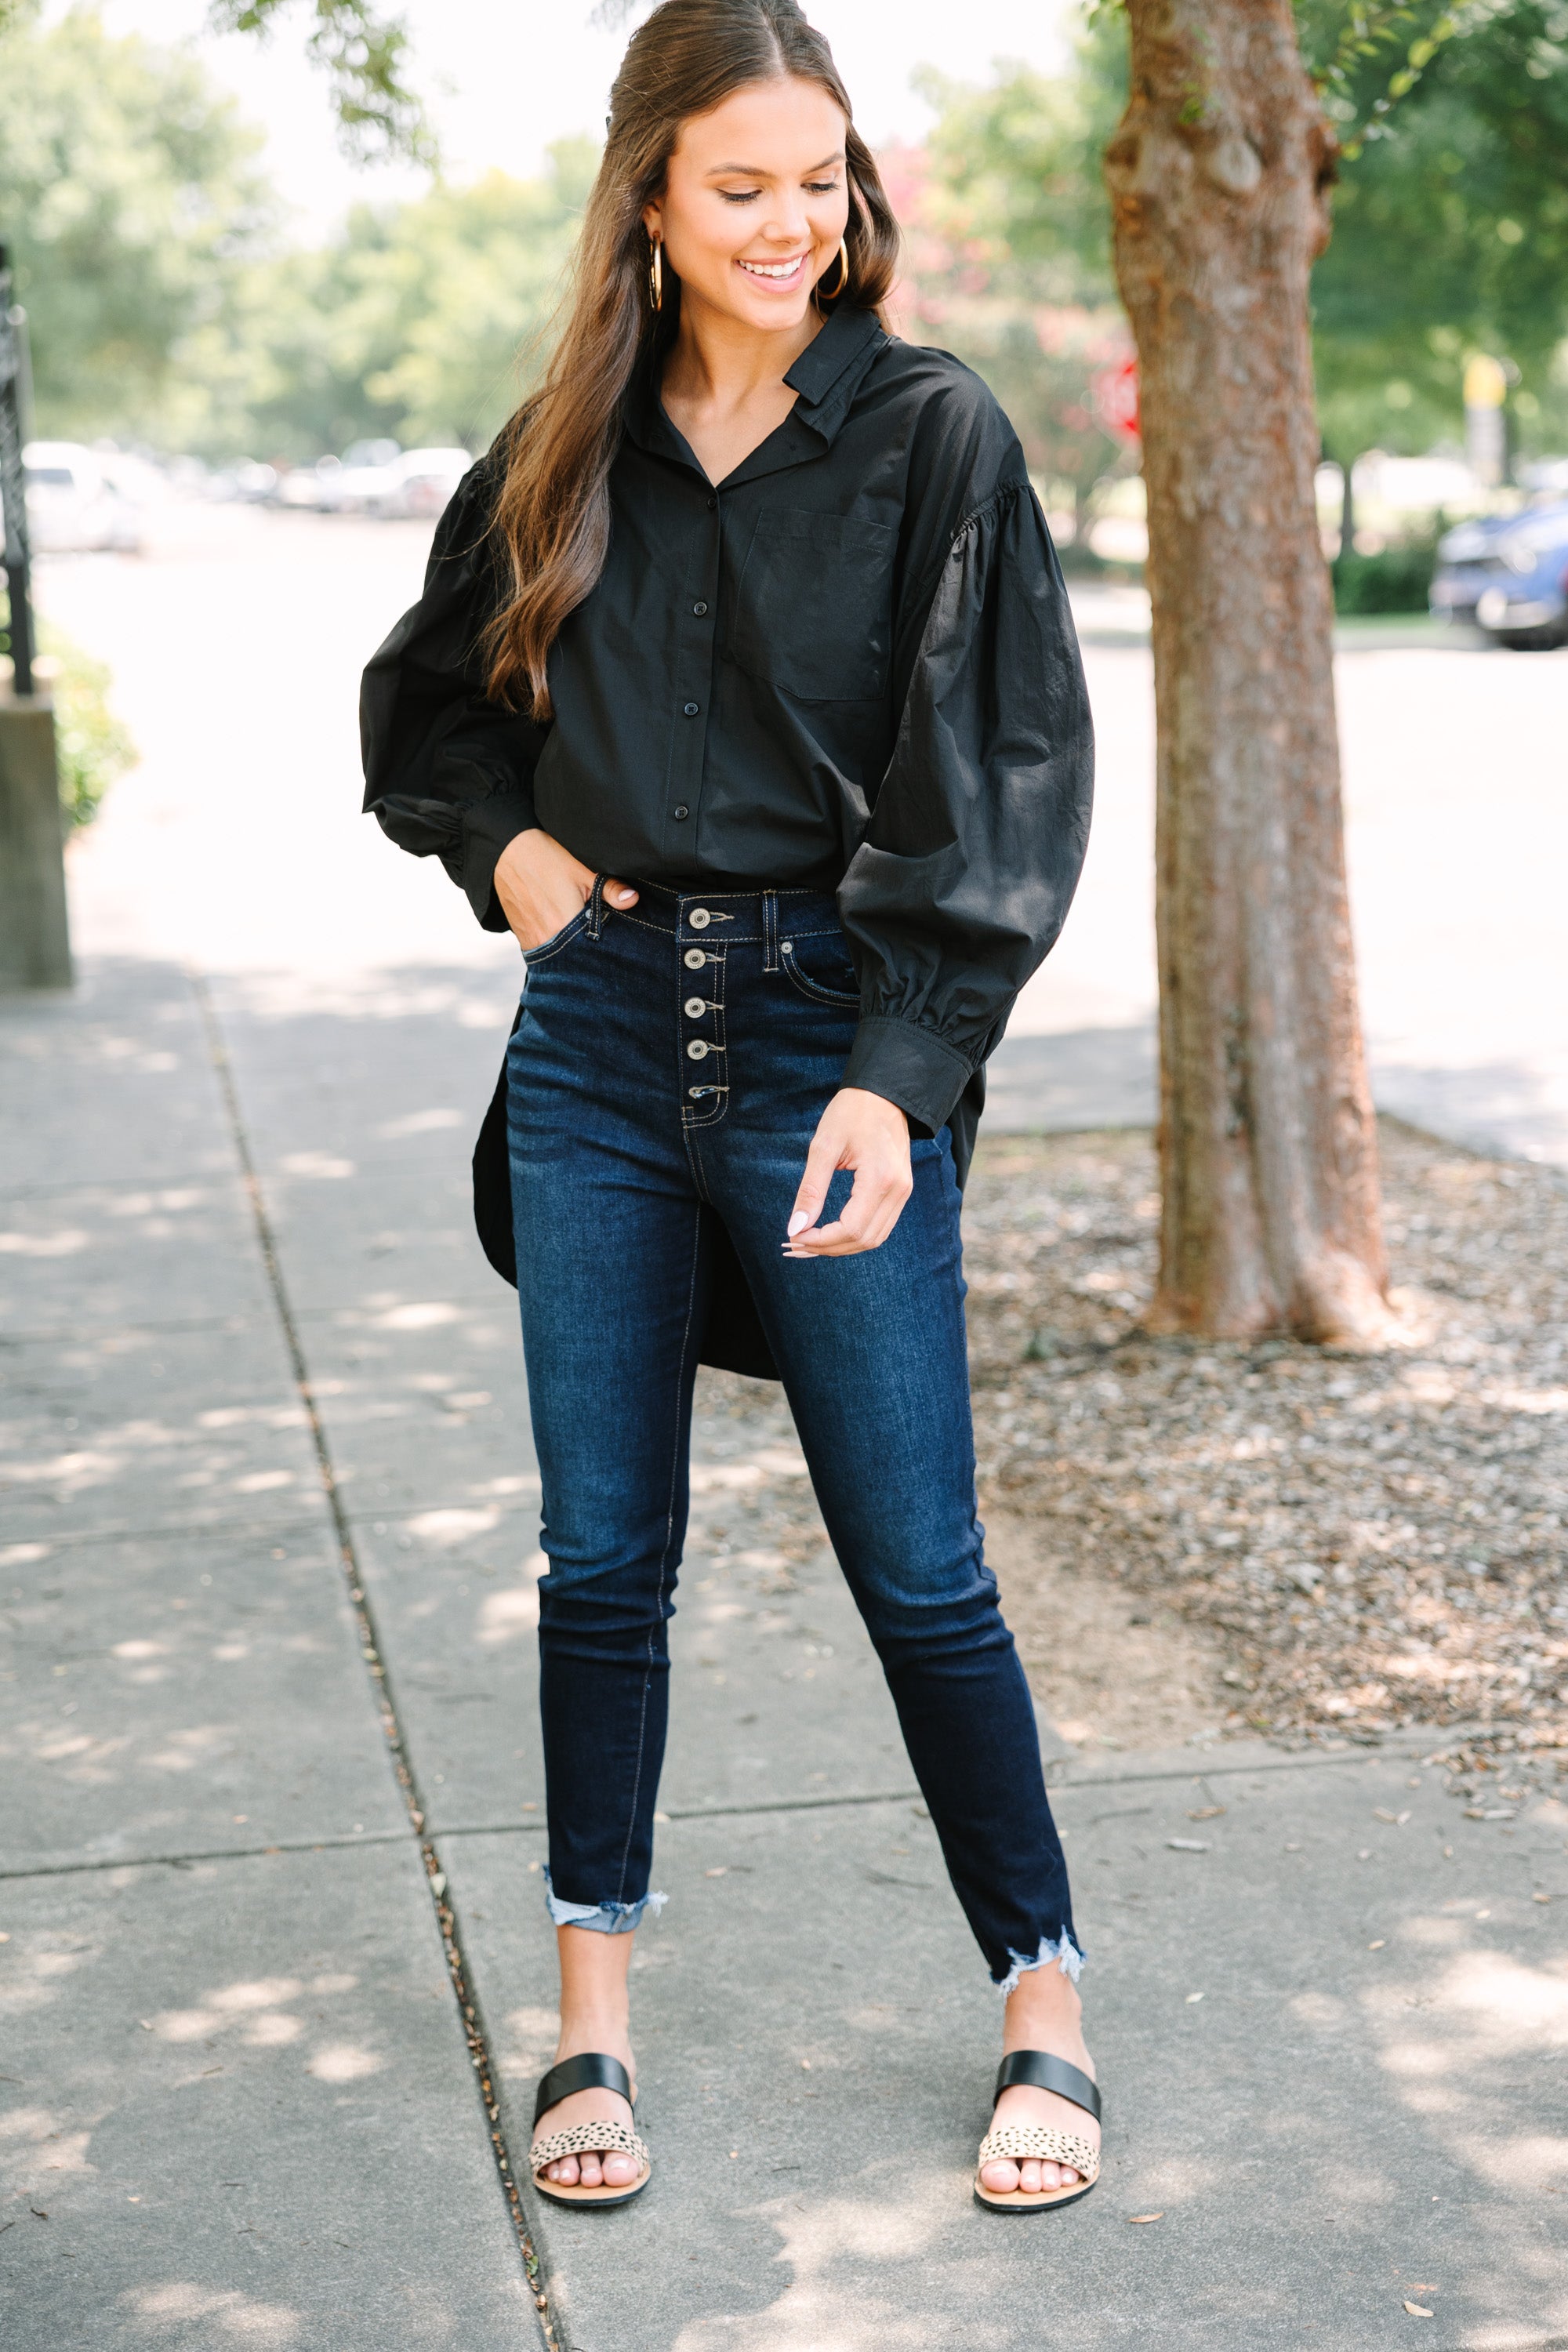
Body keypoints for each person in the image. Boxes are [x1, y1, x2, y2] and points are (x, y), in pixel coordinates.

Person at [361, 0, 1097, 2217]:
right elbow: (432, 716)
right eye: (742, 185)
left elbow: (1008, 776)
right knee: (605, 1560)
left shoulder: (933, 434)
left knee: (920, 1564)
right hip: (592, 1044)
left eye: (821, 178)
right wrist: (504, 856)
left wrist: (905, 1067)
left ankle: (1044, 2005)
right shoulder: (557, 442)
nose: (795, 222)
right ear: (654, 207)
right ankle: (591, 2034)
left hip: (826, 1033)